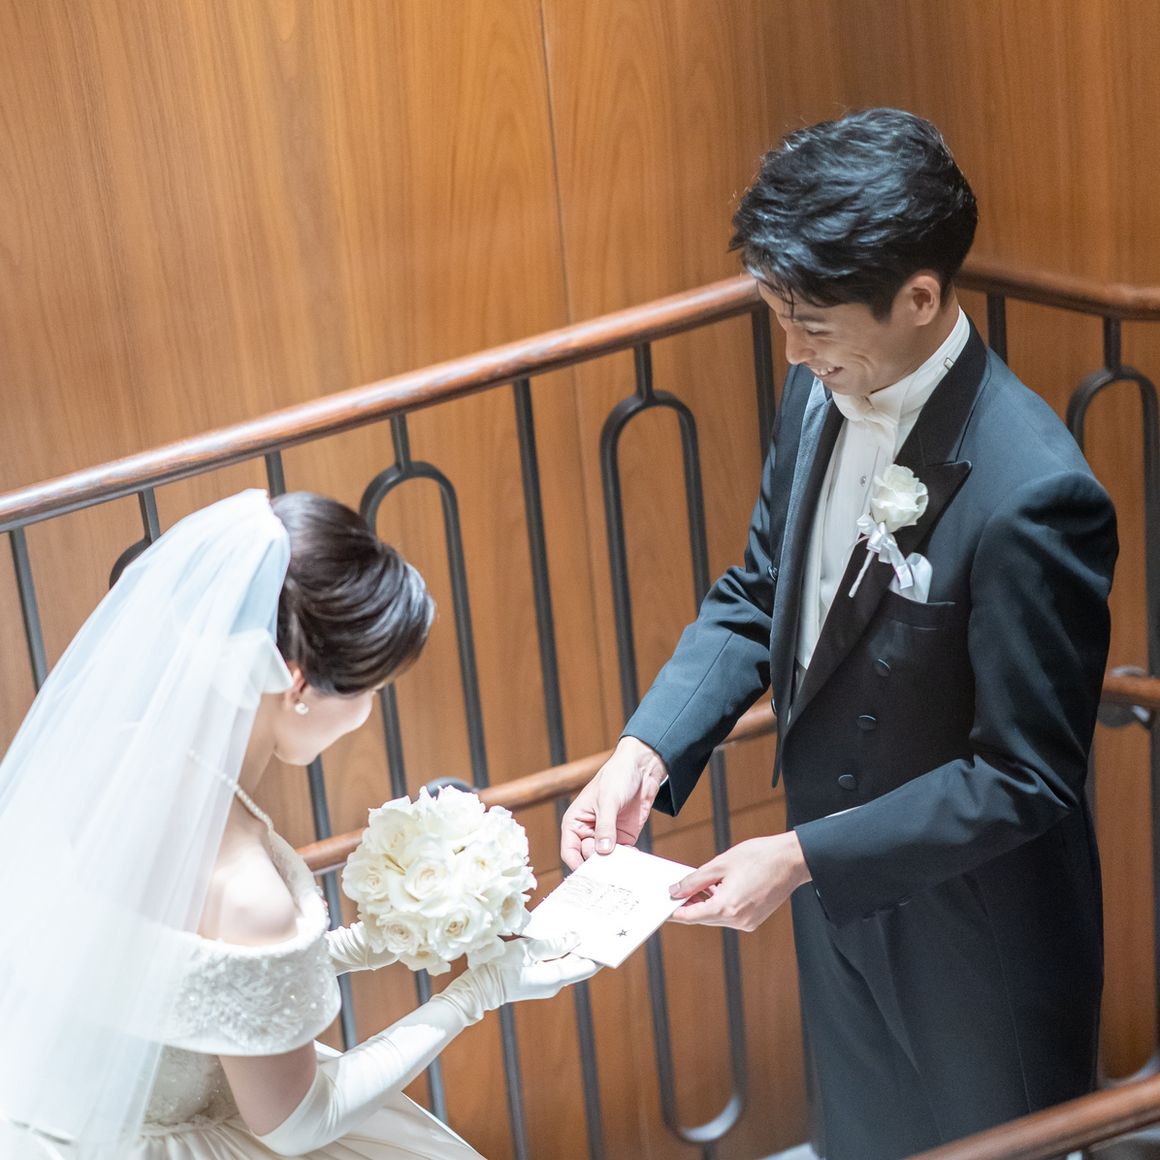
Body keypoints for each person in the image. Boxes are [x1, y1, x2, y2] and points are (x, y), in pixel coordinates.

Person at [561, 108, 1117, 1159]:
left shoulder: (1036, 494)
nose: (792, 349)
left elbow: (1026, 776)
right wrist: (646, 749)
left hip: (978, 939)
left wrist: (800, 855)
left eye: (811, 324)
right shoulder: (817, 392)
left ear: (920, 298)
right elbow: (760, 588)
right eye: (780, 318)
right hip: (837, 902)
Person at [0, 489, 595, 1159]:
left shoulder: (108, 760)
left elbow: (175, 981)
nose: (368, 711)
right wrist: (477, 994)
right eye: (371, 690)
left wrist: (366, 945)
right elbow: (298, 1124)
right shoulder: (246, 890)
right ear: (299, 684)